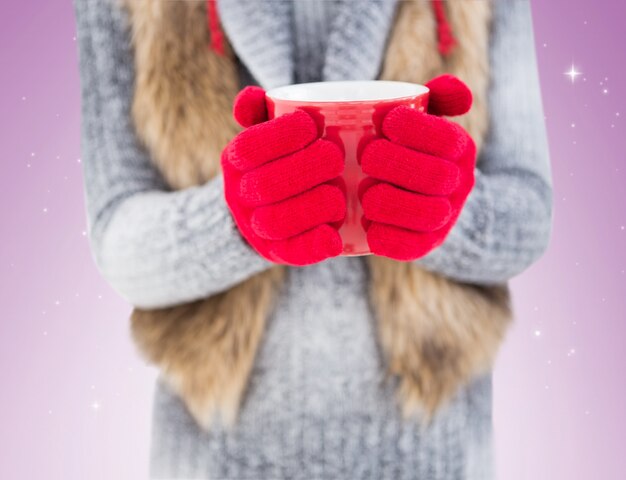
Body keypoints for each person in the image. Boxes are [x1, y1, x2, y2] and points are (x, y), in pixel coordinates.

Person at [74, 0, 552, 478]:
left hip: (438, 449)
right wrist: (234, 223)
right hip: (212, 454)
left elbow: (530, 213)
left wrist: (448, 208)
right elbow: (117, 238)